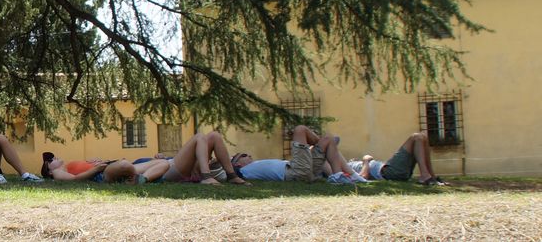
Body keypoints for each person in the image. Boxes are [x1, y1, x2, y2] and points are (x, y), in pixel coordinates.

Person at [232, 125, 364, 182]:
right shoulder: (243, 172)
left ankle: (341, 176)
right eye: (243, 155)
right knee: (300, 130)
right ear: (237, 163)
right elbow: (223, 165)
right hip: (296, 171)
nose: (248, 155)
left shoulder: (254, 166)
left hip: (302, 169)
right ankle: (318, 143)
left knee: (329, 139)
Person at [348, 132, 448, 185]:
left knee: (423, 138)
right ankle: (425, 177)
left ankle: (432, 177)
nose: (352, 159)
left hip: (389, 169)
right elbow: (362, 177)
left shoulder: (351, 164)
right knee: (416, 137)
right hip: (388, 172)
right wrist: (366, 160)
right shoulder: (347, 167)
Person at [160, 132, 249, 185]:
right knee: (205, 136)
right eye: (244, 155)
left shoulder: (225, 167)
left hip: (194, 170)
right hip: (172, 169)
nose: (248, 156)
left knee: (211, 135)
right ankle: (208, 176)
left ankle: (231, 176)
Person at [41, 152, 169, 184]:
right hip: (102, 174)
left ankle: (141, 180)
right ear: (50, 172)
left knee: (164, 163)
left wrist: (94, 163)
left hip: (107, 167)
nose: (54, 158)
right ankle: (131, 176)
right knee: (124, 164)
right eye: (50, 161)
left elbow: (81, 170)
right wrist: (95, 169)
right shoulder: (57, 172)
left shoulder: (68, 166)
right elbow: (75, 179)